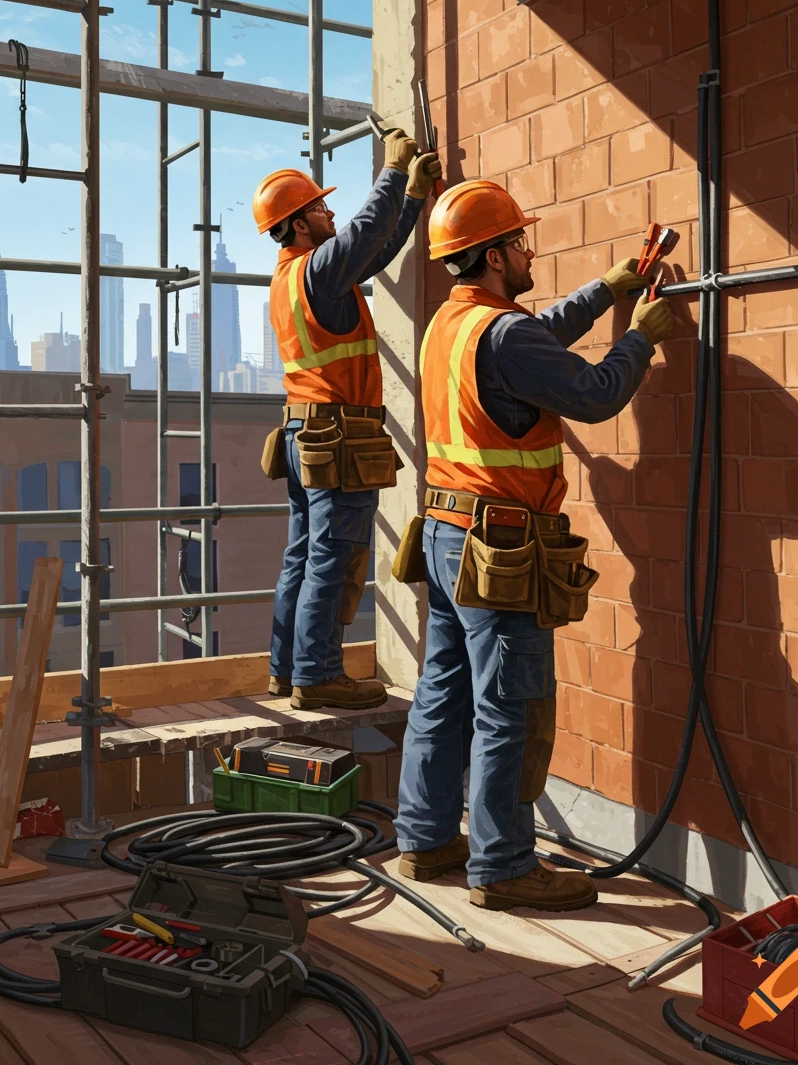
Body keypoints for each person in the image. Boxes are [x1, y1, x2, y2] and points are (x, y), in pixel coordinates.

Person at [394, 179, 674, 911]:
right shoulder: (506, 333)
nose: (527, 251)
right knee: (510, 705)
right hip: (501, 547)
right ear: (491, 256)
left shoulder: (451, 326)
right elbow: (593, 393)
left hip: (447, 536)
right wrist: (643, 334)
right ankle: (505, 866)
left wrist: (606, 287)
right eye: (517, 242)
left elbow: (535, 338)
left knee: (442, 691)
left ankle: (423, 841)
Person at [253, 133, 441, 711]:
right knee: (333, 557)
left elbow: (374, 252)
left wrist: (412, 197)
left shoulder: (295, 277)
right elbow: (362, 233)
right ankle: (318, 674)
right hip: (335, 436)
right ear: (300, 223)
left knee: (303, 556)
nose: (329, 210)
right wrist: (392, 169)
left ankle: (286, 670)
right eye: (320, 206)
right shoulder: (318, 269)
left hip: (302, 433)